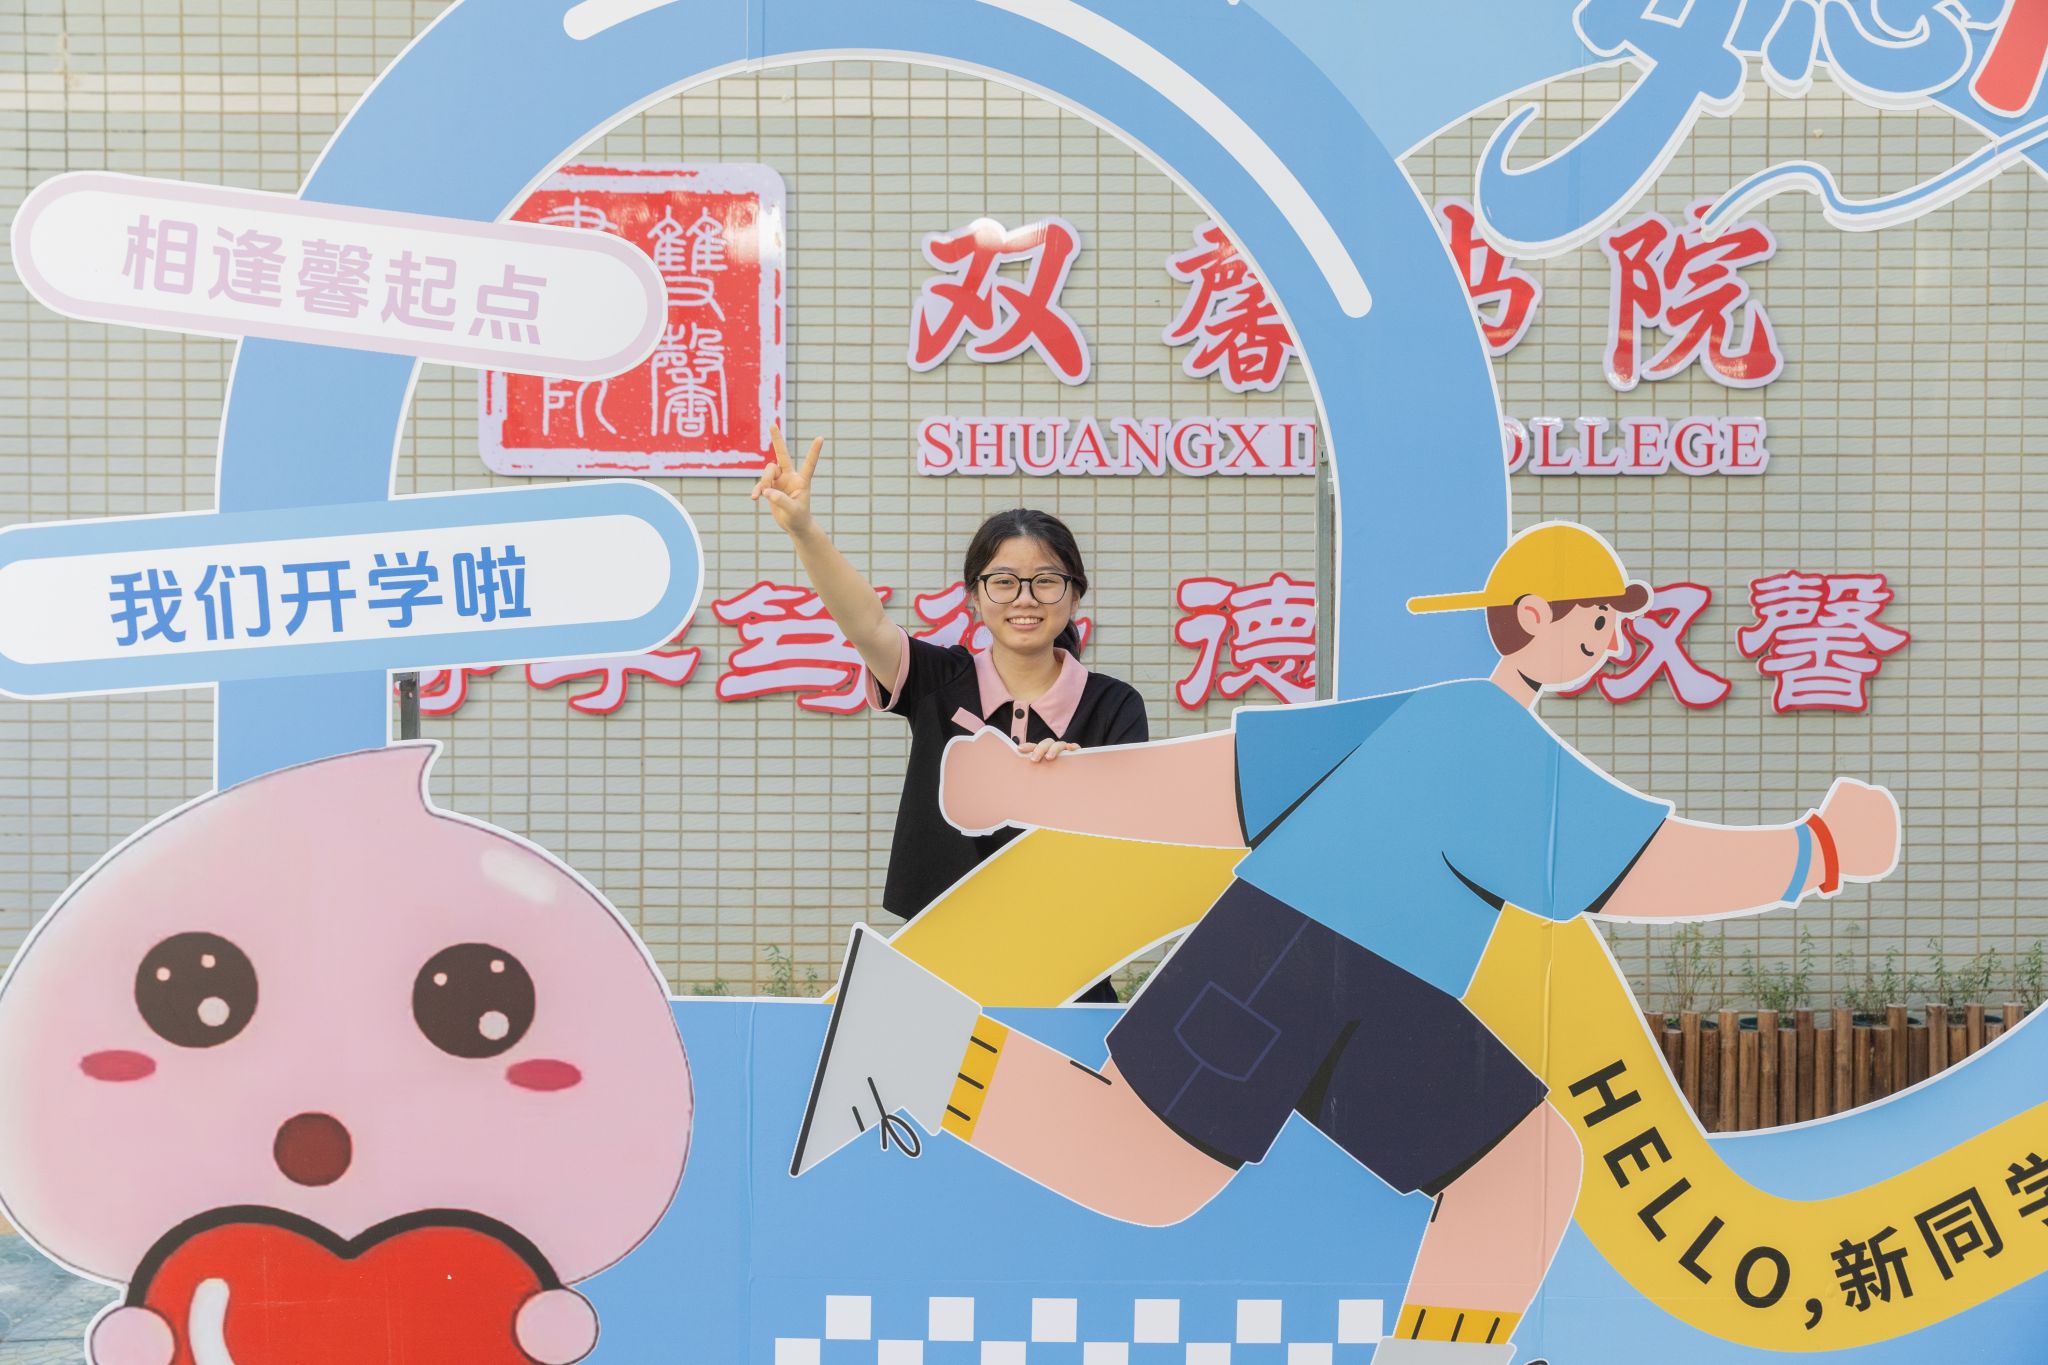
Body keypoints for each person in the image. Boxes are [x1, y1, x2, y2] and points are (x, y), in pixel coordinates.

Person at [788, 521, 1902, 1365]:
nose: (1616, 642)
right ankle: (905, 1041)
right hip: (1302, 961)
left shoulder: (1437, 717)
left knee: (1516, 1164)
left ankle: (907, 1043)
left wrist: (1026, 792)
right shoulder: (1484, 736)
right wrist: (1815, 851)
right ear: (1535, 618)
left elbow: (1227, 784)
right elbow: (1635, 866)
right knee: (1160, 1168)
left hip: (1341, 977)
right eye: (1599, 621)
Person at [752, 425, 1148, 1002]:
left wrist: (1078, 782)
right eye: (1003, 582)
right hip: (940, 963)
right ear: (975, 595)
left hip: (1069, 963)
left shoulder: (1114, 705)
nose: (1025, 599)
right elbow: (866, 622)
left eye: (1046, 582)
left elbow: (1134, 836)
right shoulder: (938, 681)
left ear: (1075, 594)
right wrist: (804, 530)